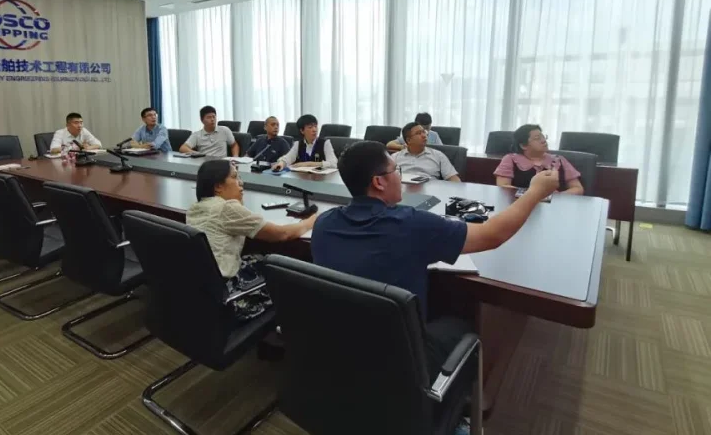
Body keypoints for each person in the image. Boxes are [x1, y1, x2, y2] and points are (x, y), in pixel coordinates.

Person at [312, 141, 559, 382]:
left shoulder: (323, 224)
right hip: (400, 362)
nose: (400, 177)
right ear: (379, 182)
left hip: (341, 346)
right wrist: (535, 192)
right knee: (463, 322)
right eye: (396, 171)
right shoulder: (410, 224)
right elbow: (492, 235)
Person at [187, 160, 317, 319]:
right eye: (235, 177)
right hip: (229, 297)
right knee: (290, 276)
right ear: (218, 186)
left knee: (259, 257)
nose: (241, 182)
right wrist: (312, 221)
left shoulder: (195, 208)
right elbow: (283, 234)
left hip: (204, 293)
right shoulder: (226, 208)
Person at [494, 124, 584, 195]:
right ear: (523, 145)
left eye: (543, 137)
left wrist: (556, 197)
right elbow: (503, 187)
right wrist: (531, 195)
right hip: (521, 205)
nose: (543, 141)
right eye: (537, 138)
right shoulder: (511, 159)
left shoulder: (558, 160)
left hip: (555, 206)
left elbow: (577, 188)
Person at [391, 122, 460, 182]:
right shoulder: (395, 157)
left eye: (424, 132)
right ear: (409, 140)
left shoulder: (438, 155)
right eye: (418, 133)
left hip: (430, 190)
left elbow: (453, 178)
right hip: (403, 190)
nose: (424, 136)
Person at [271, 114, 337, 172]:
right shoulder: (298, 144)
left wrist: (308, 164)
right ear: (302, 131)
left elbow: (334, 164)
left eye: (315, 126)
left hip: (321, 179)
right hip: (303, 178)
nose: (314, 130)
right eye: (310, 127)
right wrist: (281, 164)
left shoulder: (325, 143)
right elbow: (288, 158)